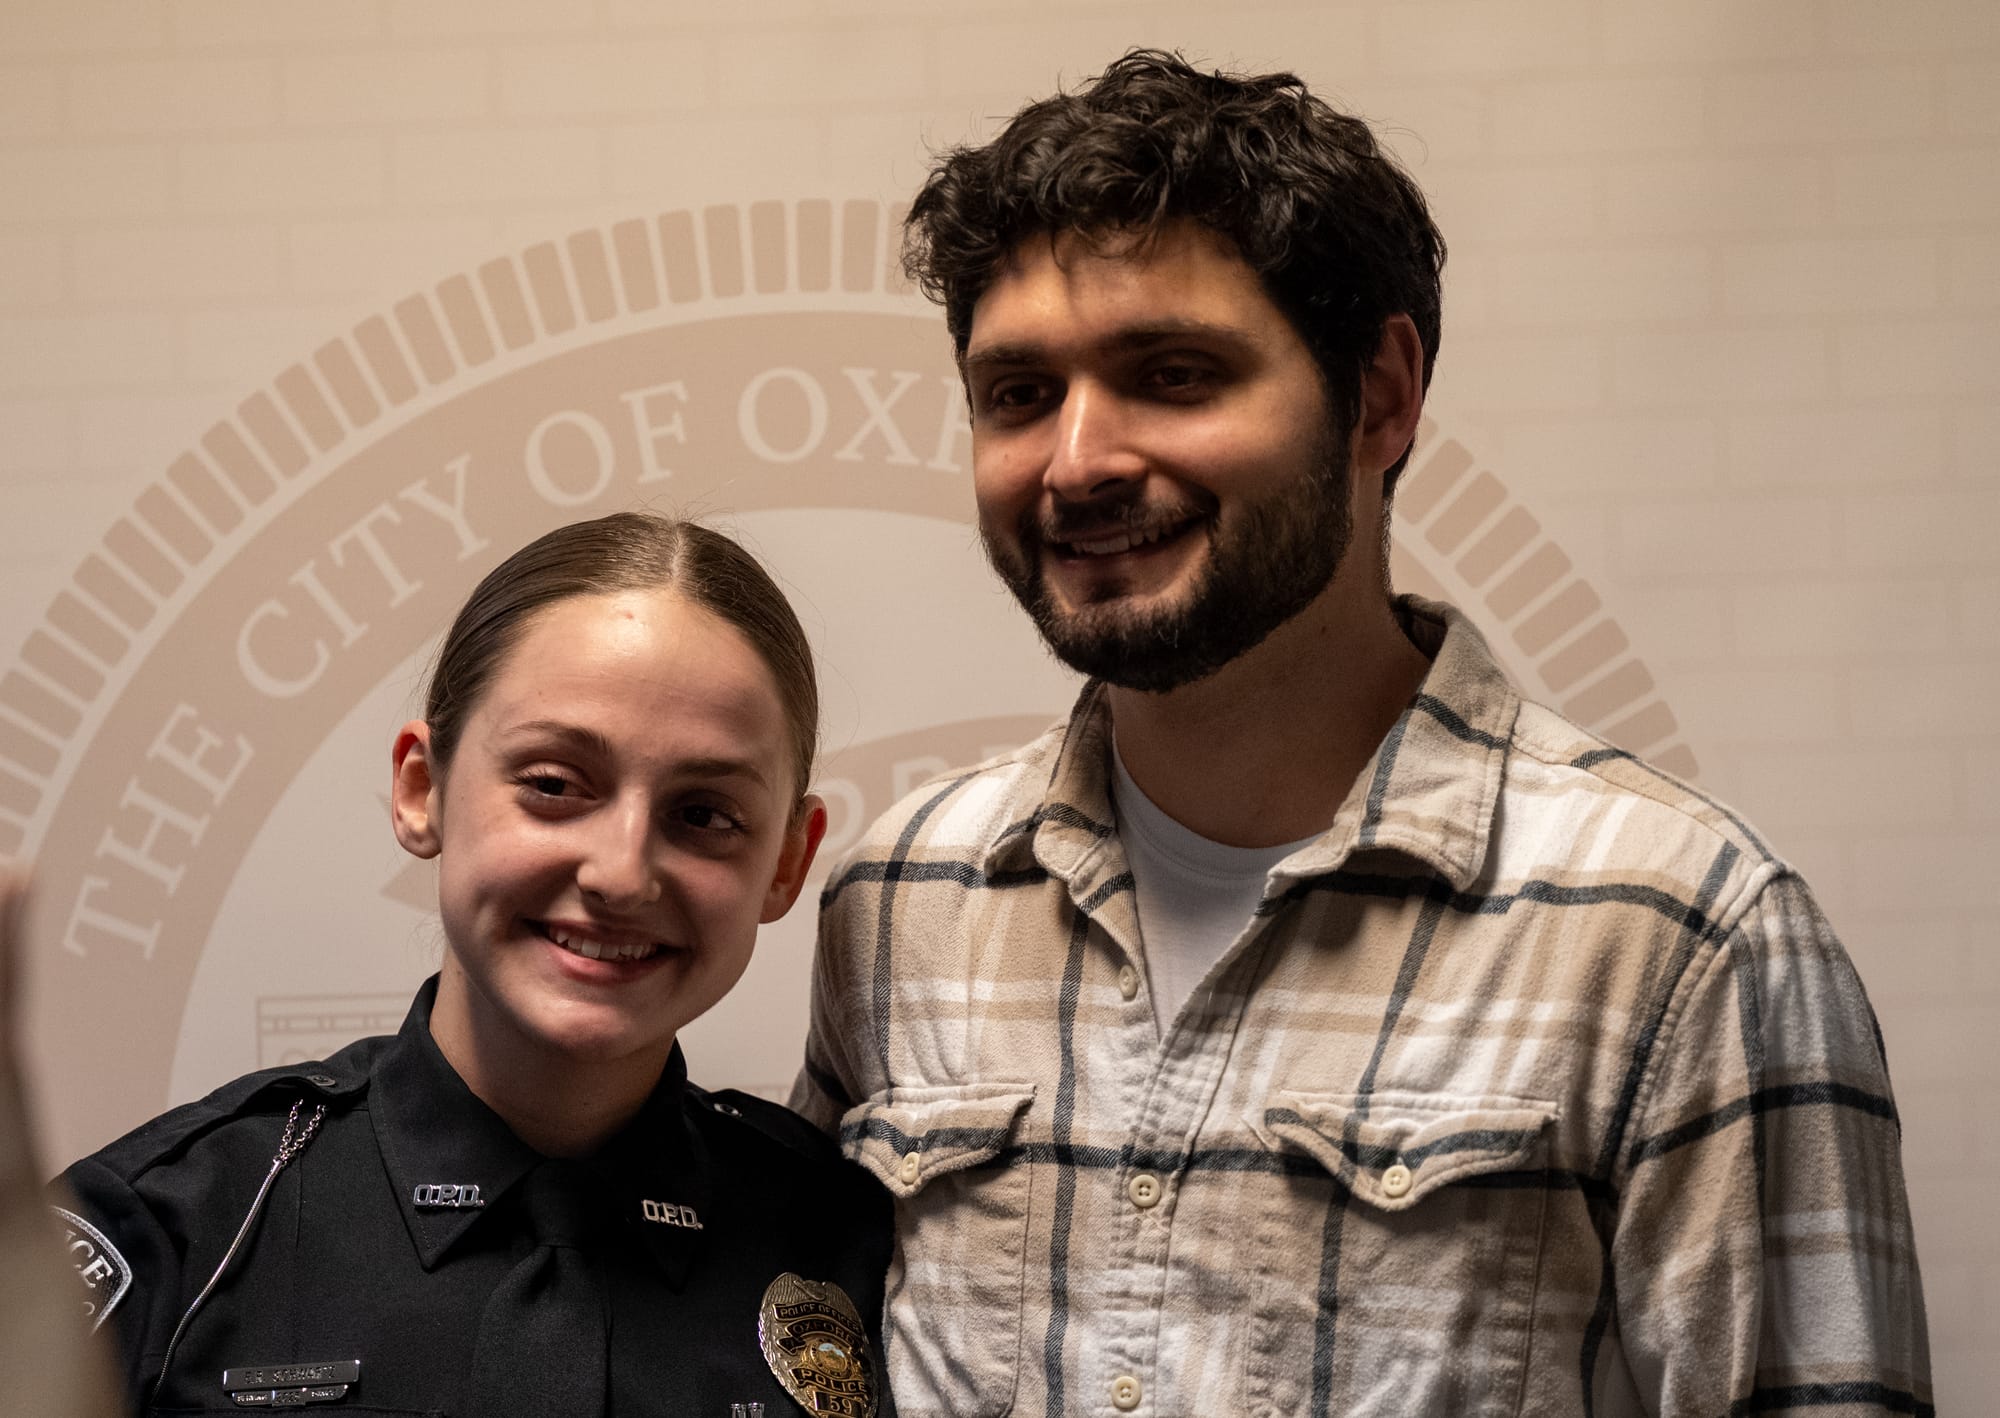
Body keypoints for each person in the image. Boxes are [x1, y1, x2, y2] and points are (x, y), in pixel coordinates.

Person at [791, 49, 1931, 1418]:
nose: (1078, 460)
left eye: (1172, 373)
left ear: (1379, 396)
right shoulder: (899, 901)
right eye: (1019, 394)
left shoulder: (1680, 936)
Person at [55, 513, 893, 1418]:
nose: (620, 874)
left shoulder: (852, 1243)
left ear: (786, 862)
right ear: (423, 790)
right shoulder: (173, 1232)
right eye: (552, 784)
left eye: (704, 815)